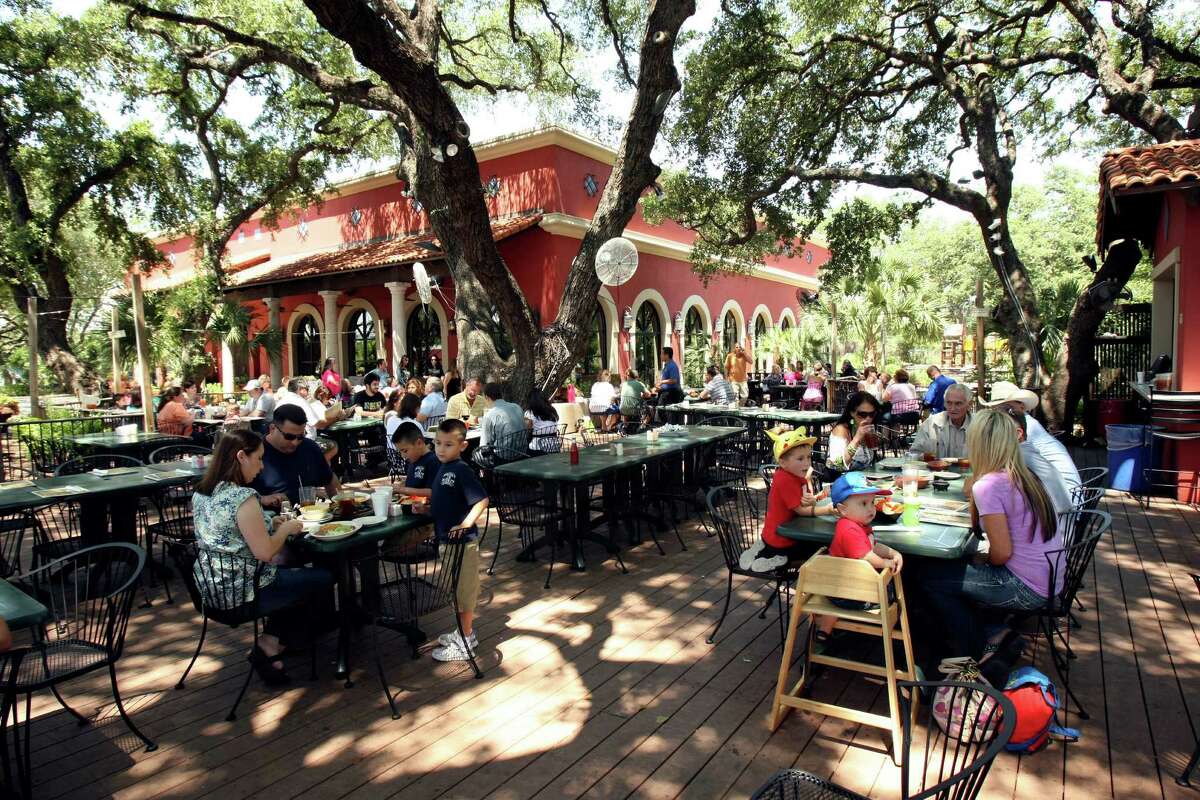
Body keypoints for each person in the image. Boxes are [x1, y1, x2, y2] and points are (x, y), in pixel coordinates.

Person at [921, 409, 1064, 678]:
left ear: (978, 444)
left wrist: (981, 560)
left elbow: (1001, 553)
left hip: (1026, 587)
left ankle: (974, 652)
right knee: (952, 570)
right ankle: (993, 633)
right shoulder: (1024, 474)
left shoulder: (989, 485)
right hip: (1049, 578)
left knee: (930, 577)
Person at [192, 428, 333, 684]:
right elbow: (266, 552)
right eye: (258, 459)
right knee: (322, 577)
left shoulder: (202, 492)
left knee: (293, 575)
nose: (261, 467)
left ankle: (275, 641)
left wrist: (270, 522)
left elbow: (230, 531)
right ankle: (272, 641)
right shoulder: (243, 497)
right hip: (244, 590)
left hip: (210, 587)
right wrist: (287, 528)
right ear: (241, 457)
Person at [422, 419, 489, 662]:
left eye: (448, 444)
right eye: (437, 443)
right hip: (446, 542)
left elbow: (481, 500)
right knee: (454, 589)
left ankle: (466, 639)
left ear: (462, 446)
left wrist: (465, 524)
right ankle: (461, 631)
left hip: (462, 544)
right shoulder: (442, 468)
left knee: (463, 592)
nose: (441, 449)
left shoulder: (460, 469)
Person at [815, 471, 903, 641]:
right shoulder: (849, 530)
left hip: (838, 586)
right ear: (842, 509)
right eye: (863, 503)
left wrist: (892, 552)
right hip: (848, 592)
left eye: (872, 502)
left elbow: (873, 545)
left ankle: (825, 629)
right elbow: (867, 557)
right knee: (893, 591)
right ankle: (897, 622)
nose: (871, 508)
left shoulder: (858, 525)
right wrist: (886, 563)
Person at [739, 429, 831, 571]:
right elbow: (801, 510)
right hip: (782, 539)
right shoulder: (785, 480)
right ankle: (780, 562)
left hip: (778, 533)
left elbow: (808, 500)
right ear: (783, 462)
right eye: (800, 459)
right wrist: (828, 510)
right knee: (823, 550)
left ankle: (763, 550)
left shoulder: (795, 474)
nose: (807, 462)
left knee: (820, 547)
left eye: (808, 457)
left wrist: (808, 481)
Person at [982, 381, 1081, 494]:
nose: (1000, 412)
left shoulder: (1023, 428)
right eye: (996, 408)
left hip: (1064, 498)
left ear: (1022, 406)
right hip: (1061, 494)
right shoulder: (1026, 424)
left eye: (1007, 408)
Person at [250, 404, 340, 508]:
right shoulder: (256, 453)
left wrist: (340, 504)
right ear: (272, 428)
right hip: (271, 519)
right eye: (289, 436)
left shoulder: (309, 447)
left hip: (311, 515)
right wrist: (262, 499)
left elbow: (329, 479)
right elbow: (237, 496)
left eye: (300, 436)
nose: (295, 442)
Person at [911, 383, 973, 459]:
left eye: (958, 403)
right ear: (944, 403)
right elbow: (914, 453)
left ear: (969, 405)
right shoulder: (932, 423)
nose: (952, 408)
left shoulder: (980, 426)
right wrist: (925, 457)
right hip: (936, 470)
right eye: (949, 403)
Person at [828, 391, 883, 471]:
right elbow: (837, 465)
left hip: (865, 478)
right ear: (852, 413)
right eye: (863, 414)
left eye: (872, 414)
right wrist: (856, 439)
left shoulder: (868, 431)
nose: (868, 418)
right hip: (844, 479)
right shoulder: (841, 430)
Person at [390, 422, 439, 501]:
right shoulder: (413, 459)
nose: (403, 456)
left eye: (405, 451)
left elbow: (432, 492)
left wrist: (402, 490)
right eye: (400, 452)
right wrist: (400, 486)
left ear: (419, 443)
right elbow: (413, 483)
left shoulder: (433, 461)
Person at [480, 382, 525, 452]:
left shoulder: (489, 415)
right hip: (523, 451)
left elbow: (484, 446)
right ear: (501, 394)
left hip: (503, 456)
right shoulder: (517, 407)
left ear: (486, 397)